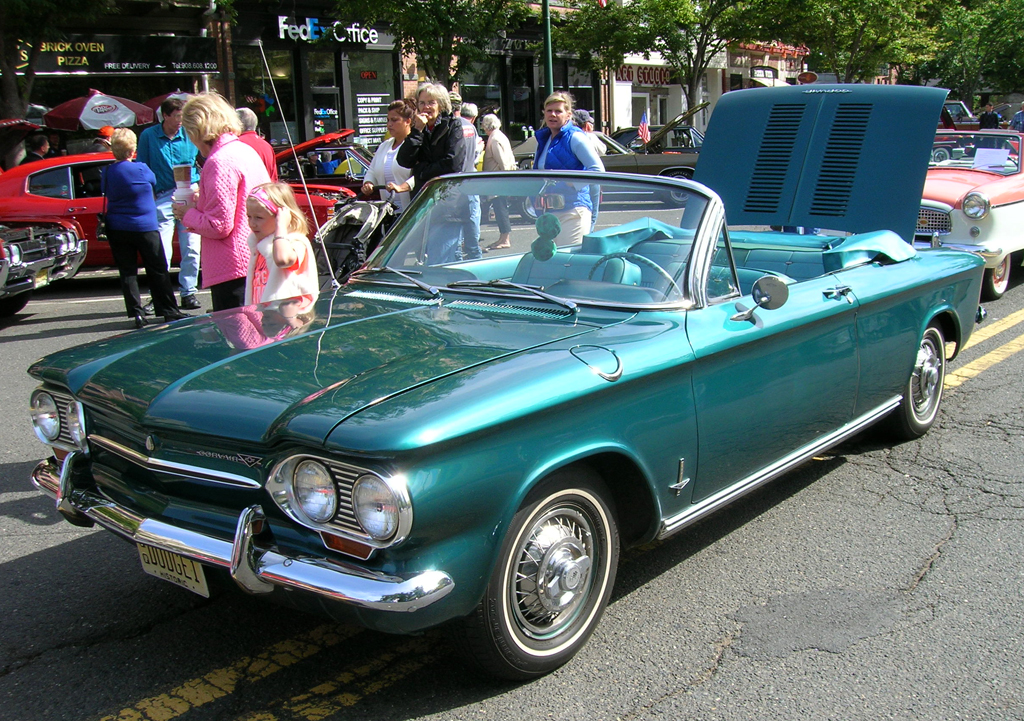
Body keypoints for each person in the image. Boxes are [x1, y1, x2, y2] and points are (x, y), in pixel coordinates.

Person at [174, 92, 271, 311]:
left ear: (196, 129)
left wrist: (186, 213)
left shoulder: (219, 161)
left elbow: (219, 225)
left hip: (234, 266)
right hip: (257, 258)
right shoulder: (245, 150)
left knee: (242, 340)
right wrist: (202, 201)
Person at [101, 128, 188, 329]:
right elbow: (153, 182)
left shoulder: (107, 172)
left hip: (118, 226)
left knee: (128, 271)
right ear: (133, 150)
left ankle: (136, 312)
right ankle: (167, 309)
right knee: (157, 268)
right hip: (145, 225)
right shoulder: (142, 169)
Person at [137, 97, 204, 310]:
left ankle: (189, 292)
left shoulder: (190, 134)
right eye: (177, 116)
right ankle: (161, 295)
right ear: (165, 116)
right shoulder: (149, 136)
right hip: (163, 194)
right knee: (161, 251)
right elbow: (142, 167)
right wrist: (149, 197)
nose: (180, 121)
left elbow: (203, 160)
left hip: (189, 191)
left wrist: (200, 187)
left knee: (192, 247)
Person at [397, 83, 466, 264]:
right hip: (424, 201)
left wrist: (421, 171)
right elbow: (404, 160)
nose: (426, 107)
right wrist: (417, 132)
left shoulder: (453, 126)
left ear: (441, 105)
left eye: (431, 102)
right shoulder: (419, 130)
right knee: (425, 259)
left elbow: (453, 163)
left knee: (441, 257)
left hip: (447, 203)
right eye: (422, 103)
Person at [533, 91, 605, 244]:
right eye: (549, 111)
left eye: (558, 111)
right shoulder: (544, 139)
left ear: (568, 115)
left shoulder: (575, 137)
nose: (553, 115)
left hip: (573, 211)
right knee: (554, 263)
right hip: (549, 214)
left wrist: (571, 182)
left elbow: (598, 170)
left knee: (569, 262)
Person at [243, 182, 318, 306]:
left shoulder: (295, 242)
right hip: (264, 318)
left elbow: (283, 260)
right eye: (249, 216)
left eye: (258, 217)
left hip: (286, 318)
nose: (252, 223)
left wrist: (281, 227)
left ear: (281, 217)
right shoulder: (260, 247)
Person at [361, 98, 416, 213]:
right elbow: (372, 171)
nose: (389, 124)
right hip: (388, 212)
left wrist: (401, 187)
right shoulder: (384, 146)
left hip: (411, 212)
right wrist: (368, 183)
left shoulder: (415, 145)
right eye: (388, 120)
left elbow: (421, 176)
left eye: (394, 120)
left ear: (408, 121)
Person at [480, 113, 517, 251]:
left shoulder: (495, 139)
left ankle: (505, 239)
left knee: (500, 209)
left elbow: (502, 162)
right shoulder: (499, 136)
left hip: (498, 181)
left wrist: (506, 179)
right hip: (498, 181)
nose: (483, 128)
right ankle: (502, 238)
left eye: (483, 125)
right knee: (499, 209)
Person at [452, 96, 482, 259]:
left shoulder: (453, 126)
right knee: (471, 229)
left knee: (455, 237)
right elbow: (475, 155)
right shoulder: (470, 127)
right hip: (471, 180)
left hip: (456, 184)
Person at [236, 107, 278, 181]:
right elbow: (274, 179)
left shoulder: (236, 144)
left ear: (238, 124)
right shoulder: (267, 146)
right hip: (267, 191)